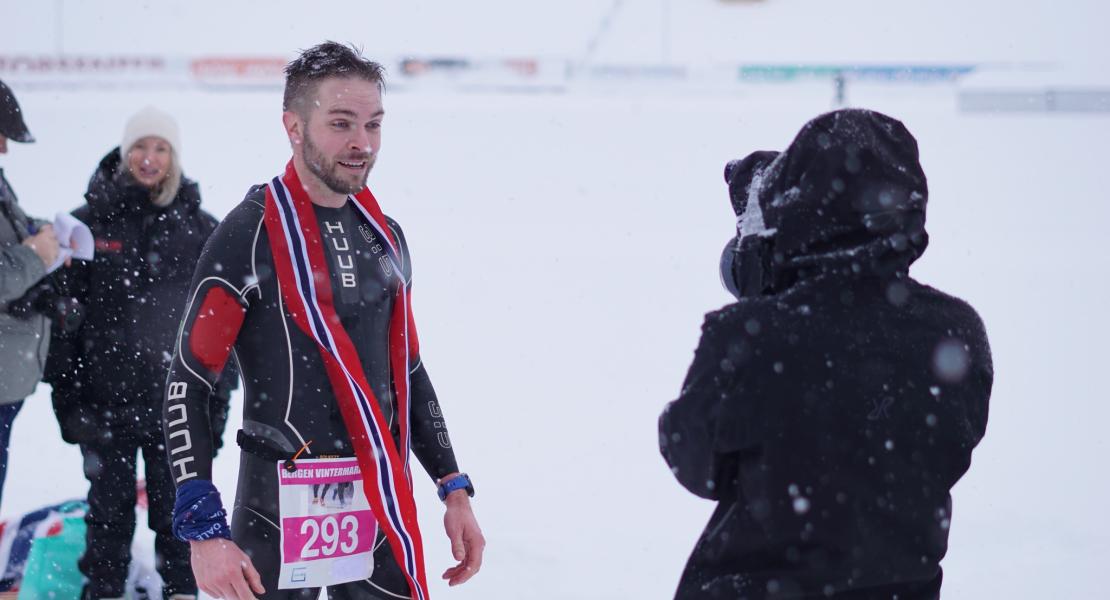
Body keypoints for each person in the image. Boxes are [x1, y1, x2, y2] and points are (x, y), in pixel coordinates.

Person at [163, 42, 484, 600]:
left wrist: (453, 486)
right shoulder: (249, 234)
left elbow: (407, 372)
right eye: (341, 123)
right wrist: (203, 529)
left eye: (373, 124)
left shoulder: (384, 237)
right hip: (276, 512)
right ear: (293, 126)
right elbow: (188, 382)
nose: (363, 143)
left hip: (377, 501)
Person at [659, 109, 992, 599]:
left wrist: (768, 296)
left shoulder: (750, 336)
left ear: (793, 209)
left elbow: (695, 461)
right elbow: (941, 453)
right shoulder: (956, 332)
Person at [43, 106, 237, 599]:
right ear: (125, 153)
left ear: (174, 157)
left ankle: (181, 591)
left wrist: (214, 411)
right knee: (107, 515)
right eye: (140, 147)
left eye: (160, 148)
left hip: (175, 408)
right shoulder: (86, 226)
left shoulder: (201, 230)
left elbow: (224, 328)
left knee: (180, 515)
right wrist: (69, 403)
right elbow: (63, 325)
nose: (149, 158)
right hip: (103, 407)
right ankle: (104, 591)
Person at [0, 78, 64, 510]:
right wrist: (35, 255)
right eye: (1, 136)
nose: (5, 149)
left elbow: (12, 229)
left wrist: (42, 233)